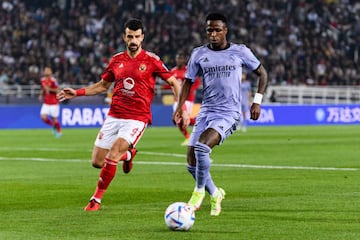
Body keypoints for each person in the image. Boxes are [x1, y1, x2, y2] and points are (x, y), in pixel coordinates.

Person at [57, 19, 188, 211]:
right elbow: (102, 86)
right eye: (130, 36)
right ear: (124, 37)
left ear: (142, 37)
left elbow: (174, 83)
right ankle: (129, 155)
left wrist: (181, 108)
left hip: (137, 117)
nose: (133, 40)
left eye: (136, 36)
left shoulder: (152, 60)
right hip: (114, 115)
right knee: (97, 162)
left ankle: (96, 200)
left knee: (113, 153)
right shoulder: (117, 60)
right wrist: (77, 92)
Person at [173, 12, 268, 216]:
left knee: (201, 147)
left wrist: (257, 101)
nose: (213, 34)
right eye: (210, 30)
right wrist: (180, 107)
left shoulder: (240, 51)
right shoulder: (198, 54)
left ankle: (198, 193)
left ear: (225, 30)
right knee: (191, 163)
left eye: (217, 30)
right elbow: (188, 82)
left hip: (229, 112)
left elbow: (263, 73)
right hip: (207, 110)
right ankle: (215, 193)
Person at [170, 51, 201, 146]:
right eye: (178, 58)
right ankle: (188, 137)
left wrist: (190, 90)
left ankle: (201, 123)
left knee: (184, 118)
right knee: (177, 119)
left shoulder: (189, 70)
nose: (179, 60)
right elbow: (170, 83)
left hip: (188, 99)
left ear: (184, 60)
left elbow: (197, 82)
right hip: (177, 99)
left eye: (181, 58)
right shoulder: (173, 71)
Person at [39, 67, 62, 138]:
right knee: (43, 117)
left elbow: (57, 90)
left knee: (54, 118)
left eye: (48, 70)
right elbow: (43, 88)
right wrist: (40, 94)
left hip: (54, 102)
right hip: (46, 102)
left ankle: (59, 131)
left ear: (51, 72)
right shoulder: (42, 80)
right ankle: (54, 125)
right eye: (45, 70)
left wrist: (50, 89)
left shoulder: (53, 80)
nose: (46, 71)